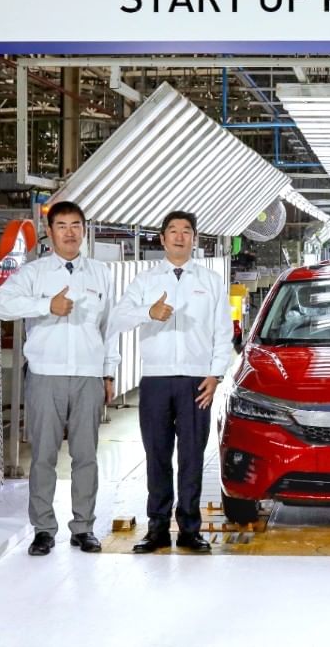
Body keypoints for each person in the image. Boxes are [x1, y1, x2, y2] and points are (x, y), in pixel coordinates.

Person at [0, 201, 119, 557]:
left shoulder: (100, 273)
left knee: (86, 456)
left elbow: (109, 327)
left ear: (84, 230)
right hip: (45, 376)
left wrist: (108, 371)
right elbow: (2, 305)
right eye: (61, 226)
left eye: (75, 225)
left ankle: (84, 527)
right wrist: (45, 305)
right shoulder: (34, 274)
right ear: (49, 232)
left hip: (88, 376)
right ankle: (44, 529)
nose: (69, 232)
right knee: (44, 456)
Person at [109, 211, 232, 554]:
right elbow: (117, 318)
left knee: (192, 457)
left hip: (197, 381)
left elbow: (223, 332)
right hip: (156, 380)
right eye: (173, 231)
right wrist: (148, 312)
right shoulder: (146, 281)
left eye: (186, 231)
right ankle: (158, 528)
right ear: (162, 239)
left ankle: (190, 529)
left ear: (195, 239)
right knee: (157, 455)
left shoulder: (211, 281)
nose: (179, 236)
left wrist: (215, 374)